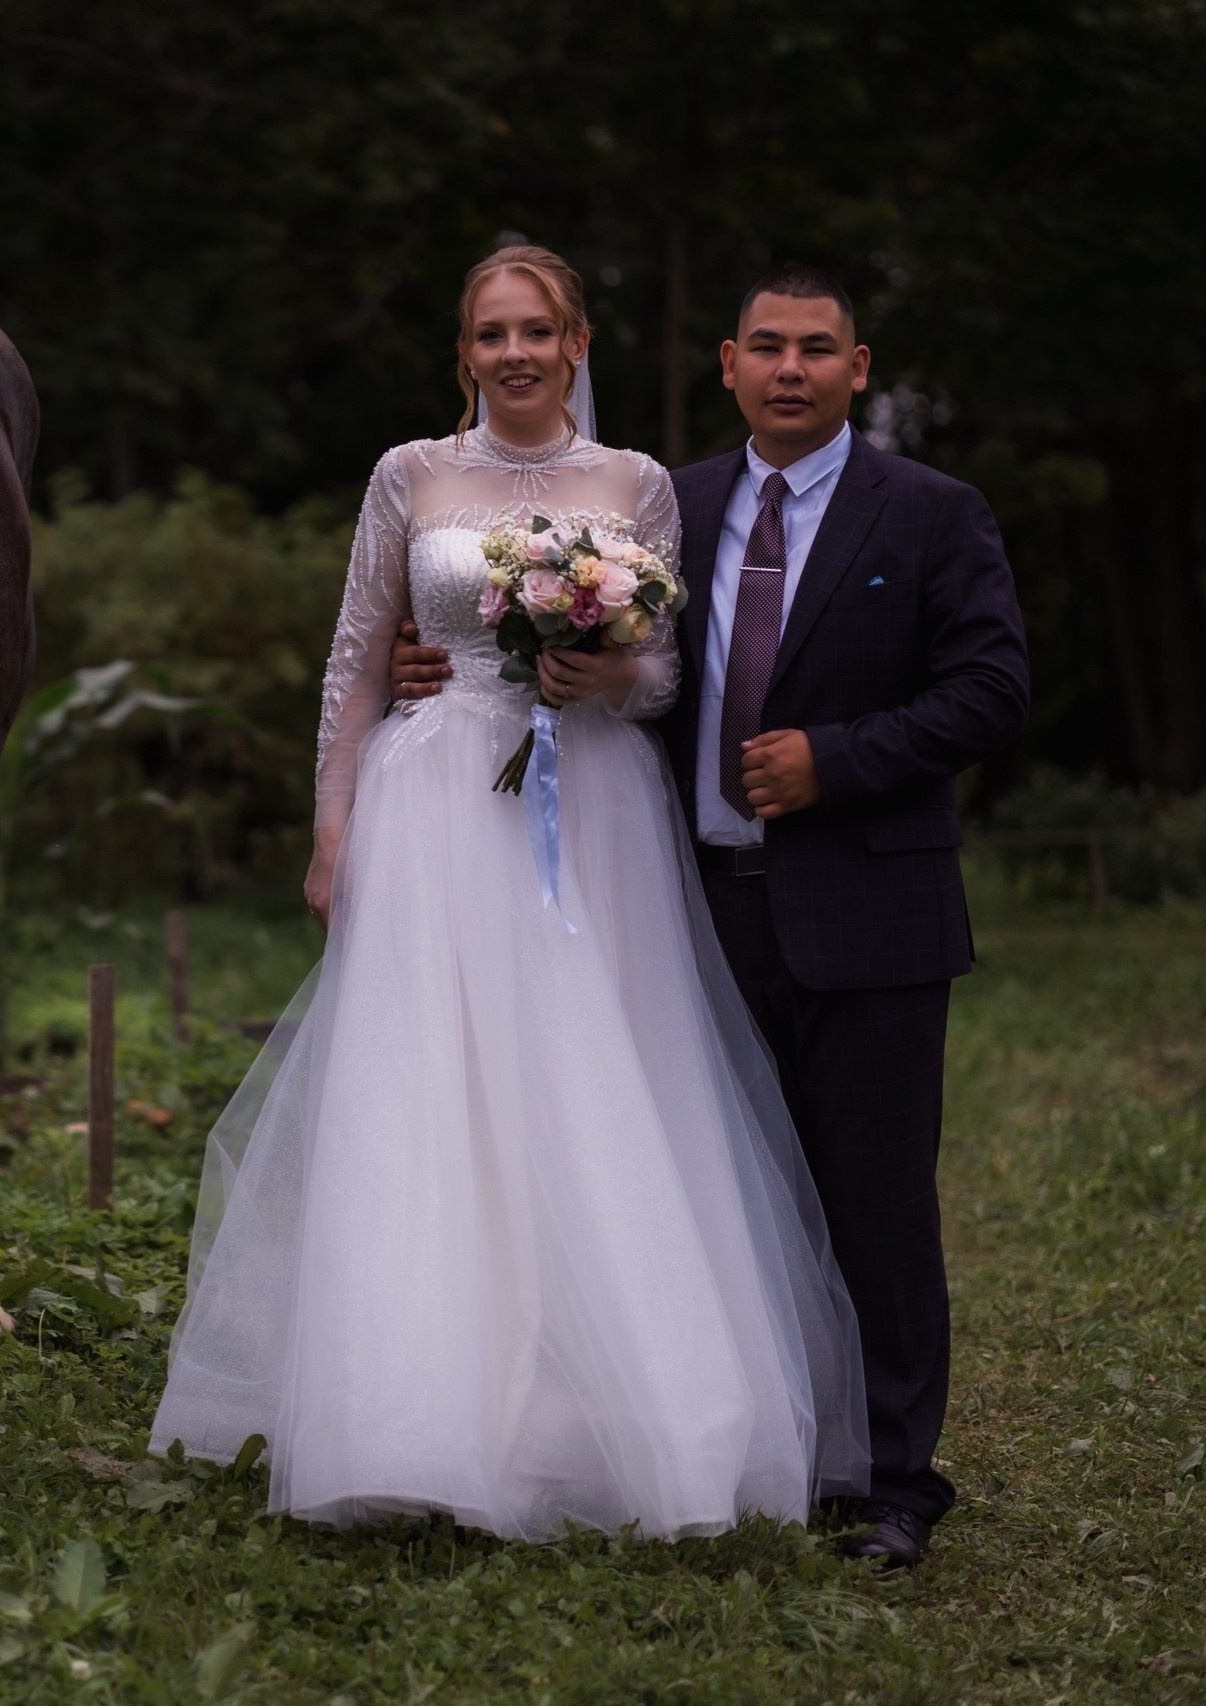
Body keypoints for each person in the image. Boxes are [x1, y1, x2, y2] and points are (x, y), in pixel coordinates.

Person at [149, 247, 872, 1543]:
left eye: (539, 329)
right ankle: (415, 1415)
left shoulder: (635, 485)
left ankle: (614, 1417)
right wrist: (331, 830)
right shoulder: (408, 475)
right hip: (430, 808)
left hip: (589, 808)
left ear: (579, 343)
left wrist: (603, 682)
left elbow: (660, 681)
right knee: (431, 1087)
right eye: (492, 333)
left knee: (595, 1076)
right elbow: (353, 663)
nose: (517, 352)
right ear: (465, 353)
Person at [388, 264, 1031, 1566]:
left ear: (858, 369)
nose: (790, 369)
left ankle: (896, 1481)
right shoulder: (672, 500)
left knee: (878, 1195)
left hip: (871, 909)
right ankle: (779, 1444)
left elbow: (993, 689)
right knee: (726, 1190)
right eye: (767, 348)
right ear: (729, 365)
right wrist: (455, 659)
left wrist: (834, 760)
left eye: (818, 349)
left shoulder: (932, 512)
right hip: (695, 901)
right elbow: (646, 674)